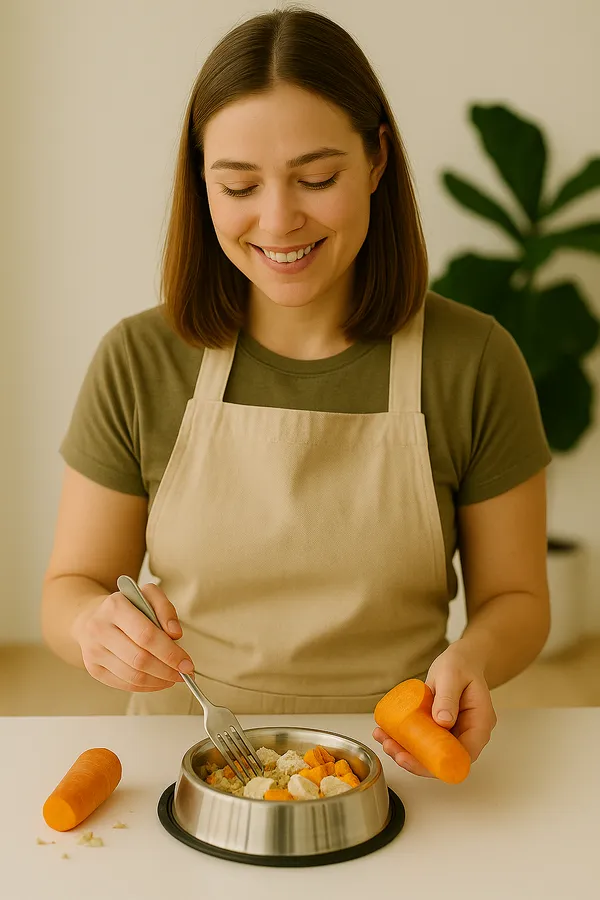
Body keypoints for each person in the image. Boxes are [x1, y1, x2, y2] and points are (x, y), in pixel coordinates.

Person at [41, 7, 551, 779]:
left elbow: (518, 597)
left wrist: (473, 657)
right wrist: (91, 624)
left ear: (378, 161)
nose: (279, 221)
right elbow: (67, 588)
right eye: (238, 186)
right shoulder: (139, 359)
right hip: (188, 759)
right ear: (200, 182)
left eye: (317, 178)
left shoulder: (474, 360)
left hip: (396, 761)